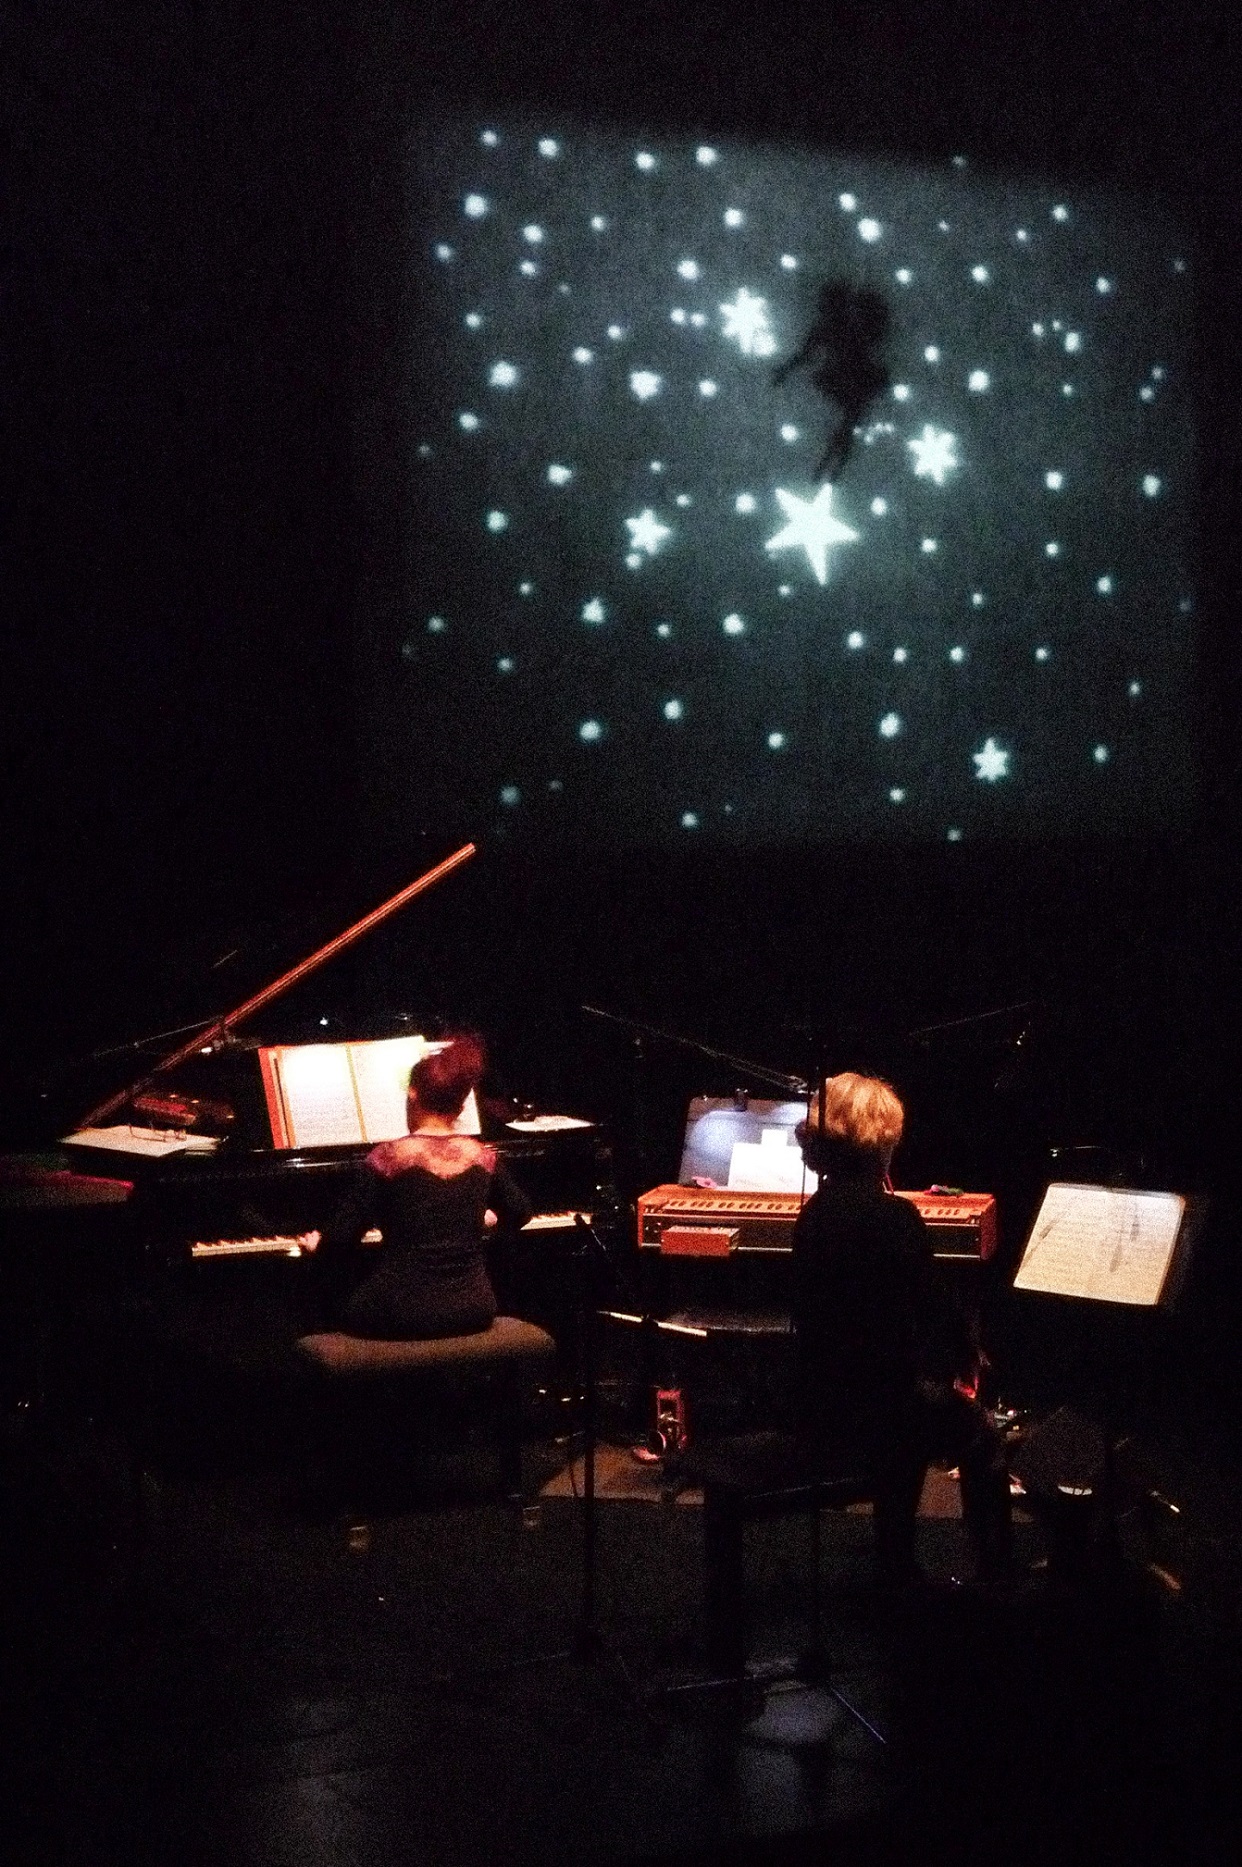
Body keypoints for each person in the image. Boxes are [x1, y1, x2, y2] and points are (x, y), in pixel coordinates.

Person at [791, 1071, 1011, 1589]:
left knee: (909, 1401)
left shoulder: (813, 1214)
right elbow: (930, 1307)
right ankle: (996, 1578)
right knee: (979, 1435)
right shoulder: (895, 1217)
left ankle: (896, 1561)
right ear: (879, 1146)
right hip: (878, 1408)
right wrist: (966, 1351)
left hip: (821, 1398)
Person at [319, 1033, 532, 1340]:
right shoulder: (482, 1156)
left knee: (329, 1301)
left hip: (399, 1312)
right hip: (475, 1308)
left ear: (413, 1095)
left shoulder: (387, 1157)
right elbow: (521, 1212)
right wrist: (481, 1220)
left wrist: (318, 1245)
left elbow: (339, 1240)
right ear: (461, 1108)